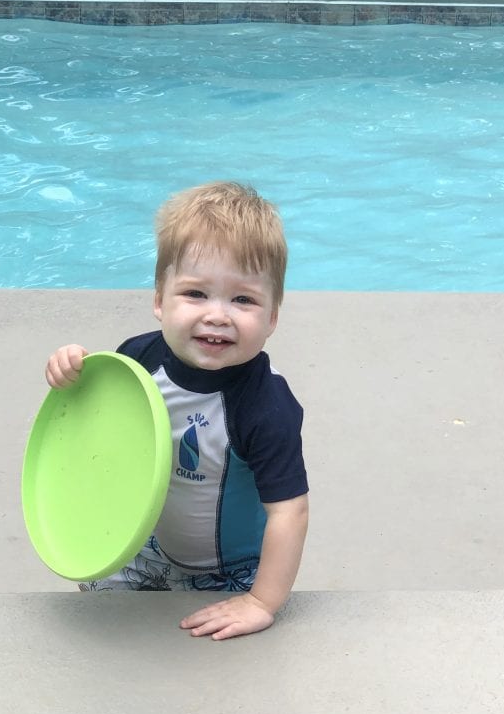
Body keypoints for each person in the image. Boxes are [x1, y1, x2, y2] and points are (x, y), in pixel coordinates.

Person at [44, 182, 309, 641]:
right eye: (195, 293)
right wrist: (71, 370)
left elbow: (290, 513)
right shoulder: (138, 359)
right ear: (159, 300)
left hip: (234, 571)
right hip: (148, 547)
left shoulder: (266, 407)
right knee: (98, 633)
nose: (218, 315)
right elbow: (100, 430)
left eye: (243, 299)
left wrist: (261, 601)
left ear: (272, 318)